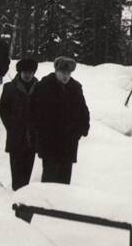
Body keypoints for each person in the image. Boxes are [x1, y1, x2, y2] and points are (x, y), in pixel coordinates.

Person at [30, 56, 90, 185]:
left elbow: (83, 112)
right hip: (49, 142)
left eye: (68, 73)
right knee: (49, 178)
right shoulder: (43, 87)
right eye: (63, 72)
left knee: (64, 180)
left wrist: (80, 131)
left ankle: (61, 204)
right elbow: (33, 113)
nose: (66, 76)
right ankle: (45, 204)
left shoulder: (75, 89)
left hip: (68, 143)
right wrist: (38, 134)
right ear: (56, 71)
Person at [0, 56, 39, 190]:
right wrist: (11, 125)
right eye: (25, 72)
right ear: (19, 72)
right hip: (15, 136)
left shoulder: (39, 88)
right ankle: (16, 195)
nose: (28, 75)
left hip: (32, 137)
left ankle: (24, 196)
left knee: (27, 170)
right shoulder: (9, 87)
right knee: (16, 170)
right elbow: (2, 108)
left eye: (30, 72)